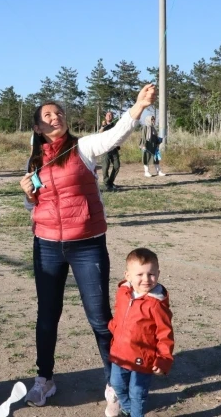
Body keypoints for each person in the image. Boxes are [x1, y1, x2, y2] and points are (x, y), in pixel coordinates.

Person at [19, 84, 157, 416]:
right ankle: (44, 379)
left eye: (59, 113)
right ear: (37, 126)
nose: (55, 117)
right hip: (47, 245)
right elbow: (33, 206)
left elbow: (115, 135)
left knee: (99, 317)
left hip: (86, 245)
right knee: (47, 316)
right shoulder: (34, 160)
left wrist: (138, 107)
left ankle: (114, 383)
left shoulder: (82, 148)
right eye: (47, 115)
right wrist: (28, 195)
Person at [108, 248, 174, 417]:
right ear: (128, 275)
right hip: (119, 353)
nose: (146, 279)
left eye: (151, 274)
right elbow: (119, 312)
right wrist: (114, 326)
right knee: (117, 385)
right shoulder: (123, 292)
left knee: (137, 392)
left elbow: (165, 334)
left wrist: (164, 359)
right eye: (140, 274)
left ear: (158, 274)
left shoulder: (156, 304)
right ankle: (127, 409)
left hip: (143, 358)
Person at [99, 112, 121, 190]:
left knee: (117, 166)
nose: (109, 116)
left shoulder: (115, 125)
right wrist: (103, 126)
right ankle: (106, 183)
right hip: (105, 149)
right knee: (105, 167)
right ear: (105, 117)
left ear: (112, 117)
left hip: (114, 148)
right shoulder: (103, 125)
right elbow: (99, 133)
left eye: (110, 115)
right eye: (108, 115)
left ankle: (110, 182)